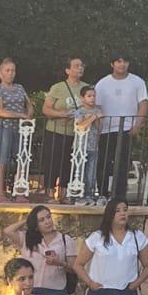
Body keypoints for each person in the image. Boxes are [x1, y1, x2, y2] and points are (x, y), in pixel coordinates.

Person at [4, 205, 76, 295]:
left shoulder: (65, 240)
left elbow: (73, 268)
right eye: (41, 220)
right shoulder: (26, 238)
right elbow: (8, 231)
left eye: (48, 217)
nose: (47, 222)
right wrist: (27, 220)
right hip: (31, 289)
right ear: (35, 224)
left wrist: (60, 263)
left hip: (55, 291)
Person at [94, 53, 148, 200]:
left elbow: (143, 104)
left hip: (126, 129)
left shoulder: (137, 82)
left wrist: (137, 125)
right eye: (118, 61)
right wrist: (98, 129)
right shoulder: (102, 83)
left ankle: (119, 196)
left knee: (123, 164)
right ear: (112, 64)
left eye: (125, 61)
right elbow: (96, 107)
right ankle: (102, 194)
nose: (122, 64)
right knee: (103, 163)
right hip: (106, 129)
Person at [40, 58, 88, 200]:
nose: (80, 68)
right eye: (76, 66)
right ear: (68, 70)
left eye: (82, 66)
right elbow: (46, 109)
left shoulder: (86, 87)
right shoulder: (58, 87)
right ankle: (49, 193)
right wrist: (62, 114)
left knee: (69, 163)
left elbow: (91, 106)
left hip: (75, 133)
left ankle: (64, 193)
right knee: (52, 161)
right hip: (56, 130)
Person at [0, 59, 32, 203]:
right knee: (3, 159)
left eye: (13, 70)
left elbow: (28, 104)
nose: (11, 73)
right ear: (0, 73)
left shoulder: (20, 88)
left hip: (19, 127)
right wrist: (20, 115)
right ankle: (1, 193)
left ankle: (19, 192)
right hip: (3, 126)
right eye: (7, 70)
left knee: (22, 158)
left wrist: (28, 115)